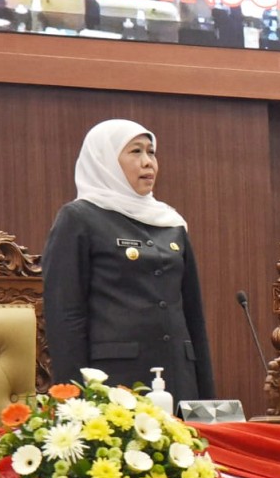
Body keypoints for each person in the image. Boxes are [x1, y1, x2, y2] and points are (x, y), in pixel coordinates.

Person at [43, 119, 215, 402]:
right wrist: (73, 400)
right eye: (136, 152)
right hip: (114, 381)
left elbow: (193, 316)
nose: (148, 162)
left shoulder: (171, 223)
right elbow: (66, 317)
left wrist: (207, 396)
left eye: (151, 152)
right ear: (104, 160)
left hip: (178, 377)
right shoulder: (80, 218)